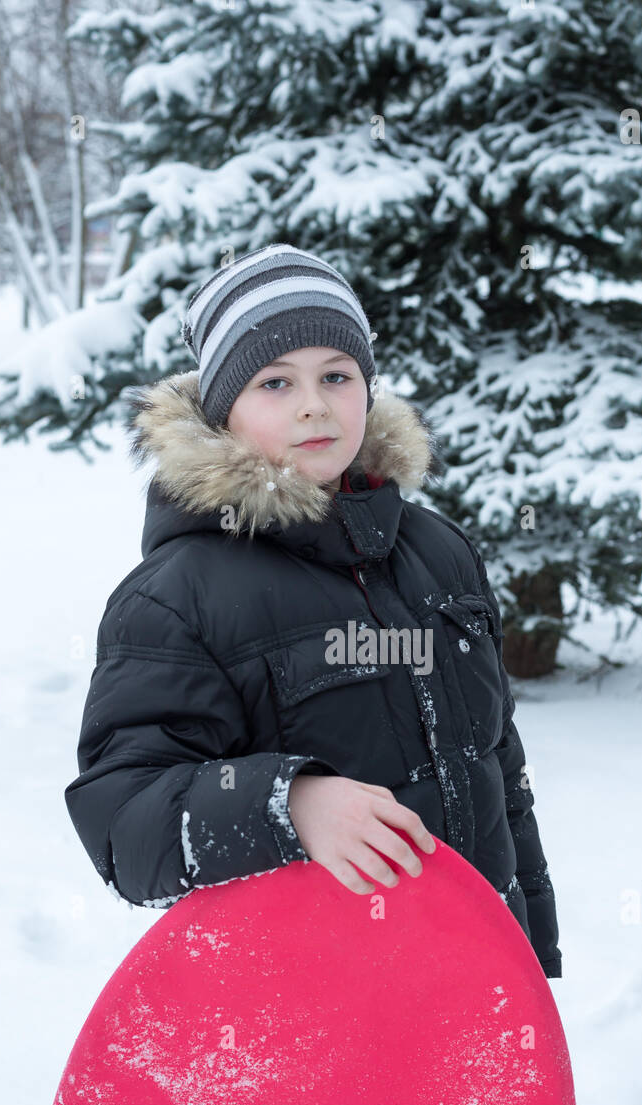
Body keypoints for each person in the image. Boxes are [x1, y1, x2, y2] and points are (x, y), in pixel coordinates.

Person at [64, 243, 562, 978]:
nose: (313, 404)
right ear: (222, 411)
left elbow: (498, 769)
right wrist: (284, 804)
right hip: (306, 1012)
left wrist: (527, 960)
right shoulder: (177, 597)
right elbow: (123, 820)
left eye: (337, 374)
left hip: (471, 981)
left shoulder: (438, 552)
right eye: (273, 382)